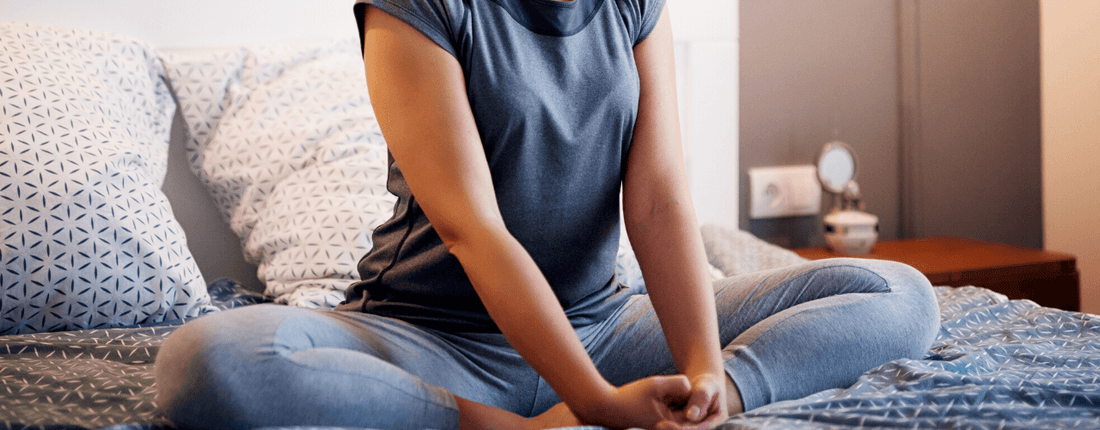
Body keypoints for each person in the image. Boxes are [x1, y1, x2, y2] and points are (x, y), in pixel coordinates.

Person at [153, 0, 941, 429]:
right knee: (207, 363)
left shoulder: (633, 4)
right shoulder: (415, 7)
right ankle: (507, 429)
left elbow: (661, 196)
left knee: (900, 294)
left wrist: (706, 377)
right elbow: (472, 227)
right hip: (433, 339)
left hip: (606, 323)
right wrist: (595, 405)